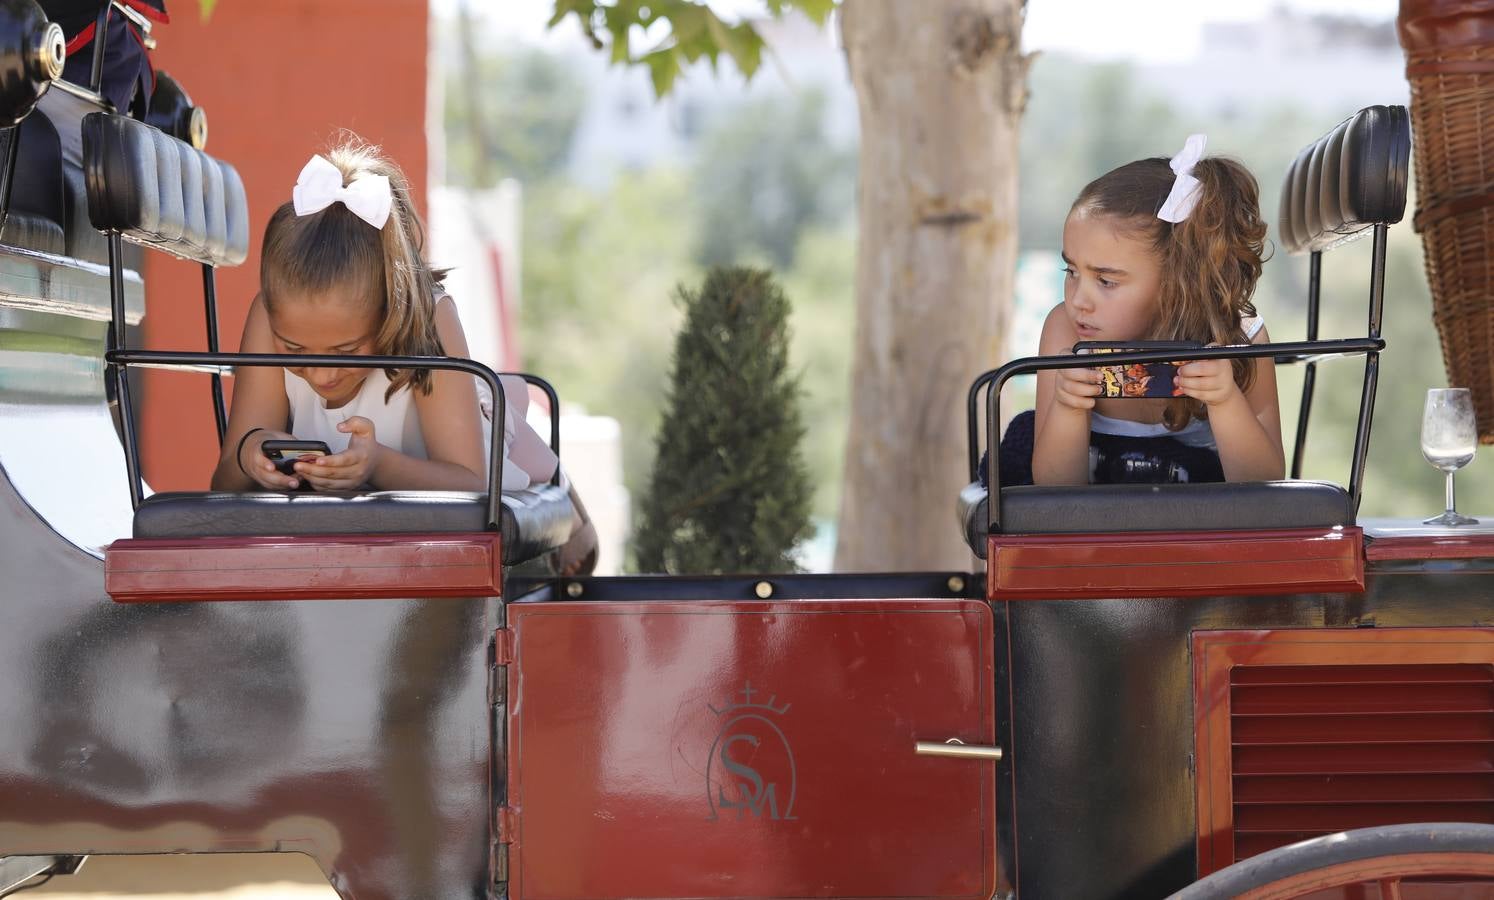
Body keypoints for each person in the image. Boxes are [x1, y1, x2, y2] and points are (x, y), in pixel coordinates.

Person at [210, 138, 597, 573]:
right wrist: (251, 453)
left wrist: (377, 464)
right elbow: (224, 480)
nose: (318, 373)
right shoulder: (266, 316)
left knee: (506, 433)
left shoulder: (427, 317)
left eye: (346, 351)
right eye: (294, 348)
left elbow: (470, 483)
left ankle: (568, 495)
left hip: (467, 446)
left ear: (390, 307)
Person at [1001, 134, 1284, 487]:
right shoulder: (1066, 331)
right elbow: (1055, 493)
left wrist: (1225, 400)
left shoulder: (1239, 338)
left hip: (1201, 531)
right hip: (1097, 534)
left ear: (1176, 282)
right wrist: (1068, 407)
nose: (1078, 300)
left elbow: (1266, 486)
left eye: (1106, 281)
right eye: (1071, 272)